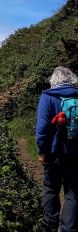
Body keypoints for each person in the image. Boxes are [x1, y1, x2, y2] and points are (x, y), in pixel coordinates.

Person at [36, 66, 78, 232]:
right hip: (76, 153)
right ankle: (69, 228)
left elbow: (43, 128)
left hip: (54, 152)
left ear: (54, 80)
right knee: (73, 192)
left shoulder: (48, 96)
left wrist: (42, 150)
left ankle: (50, 225)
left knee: (51, 187)